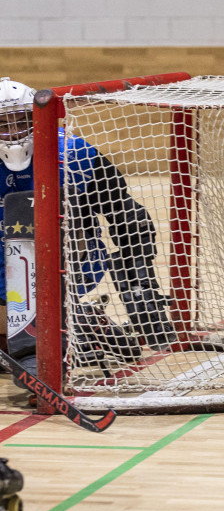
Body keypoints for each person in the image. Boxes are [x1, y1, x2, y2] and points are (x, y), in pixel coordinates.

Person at [0, 77, 174, 377]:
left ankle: (67, 321)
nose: (14, 132)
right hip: (4, 261)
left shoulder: (75, 153)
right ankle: (84, 322)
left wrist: (139, 286)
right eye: (4, 124)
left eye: (22, 120)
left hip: (71, 259)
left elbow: (128, 218)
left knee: (26, 333)